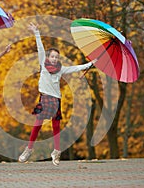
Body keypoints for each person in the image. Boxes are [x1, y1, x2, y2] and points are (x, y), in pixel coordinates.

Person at [18, 23, 93, 166]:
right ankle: (29, 149)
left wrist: (90, 64)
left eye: (56, 57)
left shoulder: (61, 69)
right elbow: (40, 48)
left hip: (56, 100)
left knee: (56, 126)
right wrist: (37, 33)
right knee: (38, 123)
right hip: (45, 97)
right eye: (52, 56)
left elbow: (76, 68)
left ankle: (56, 152)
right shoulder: (43, 65)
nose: (54, 59)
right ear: (47, 57)